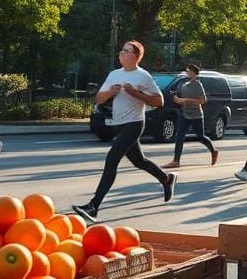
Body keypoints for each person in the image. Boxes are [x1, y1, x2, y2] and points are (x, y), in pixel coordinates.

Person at [72, 41, 175, 223]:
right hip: (119, 123)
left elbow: (159, 101)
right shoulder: (114, 74)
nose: (121, 53)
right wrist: (111, 92)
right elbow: (99, 98)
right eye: (121, 50)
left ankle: (94, 206)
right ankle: (166, 179)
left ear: (136, 56)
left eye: (126, 51)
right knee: (139, 161)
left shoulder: (143, 76)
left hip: (135, 123)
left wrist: (136, 93)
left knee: (112, 159)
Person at [163, 64, 219, 169]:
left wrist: (185, 100)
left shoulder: (198, 85)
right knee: (179, 137)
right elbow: (180, 98)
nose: (186, 72)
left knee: (200, 137)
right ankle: (176, 161)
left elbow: (202, 100)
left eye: (188, 70)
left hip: (196, 115)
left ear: (194, 72)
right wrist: (176, 98)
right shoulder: (184, 83)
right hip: (184, 113)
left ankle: (213, 151)